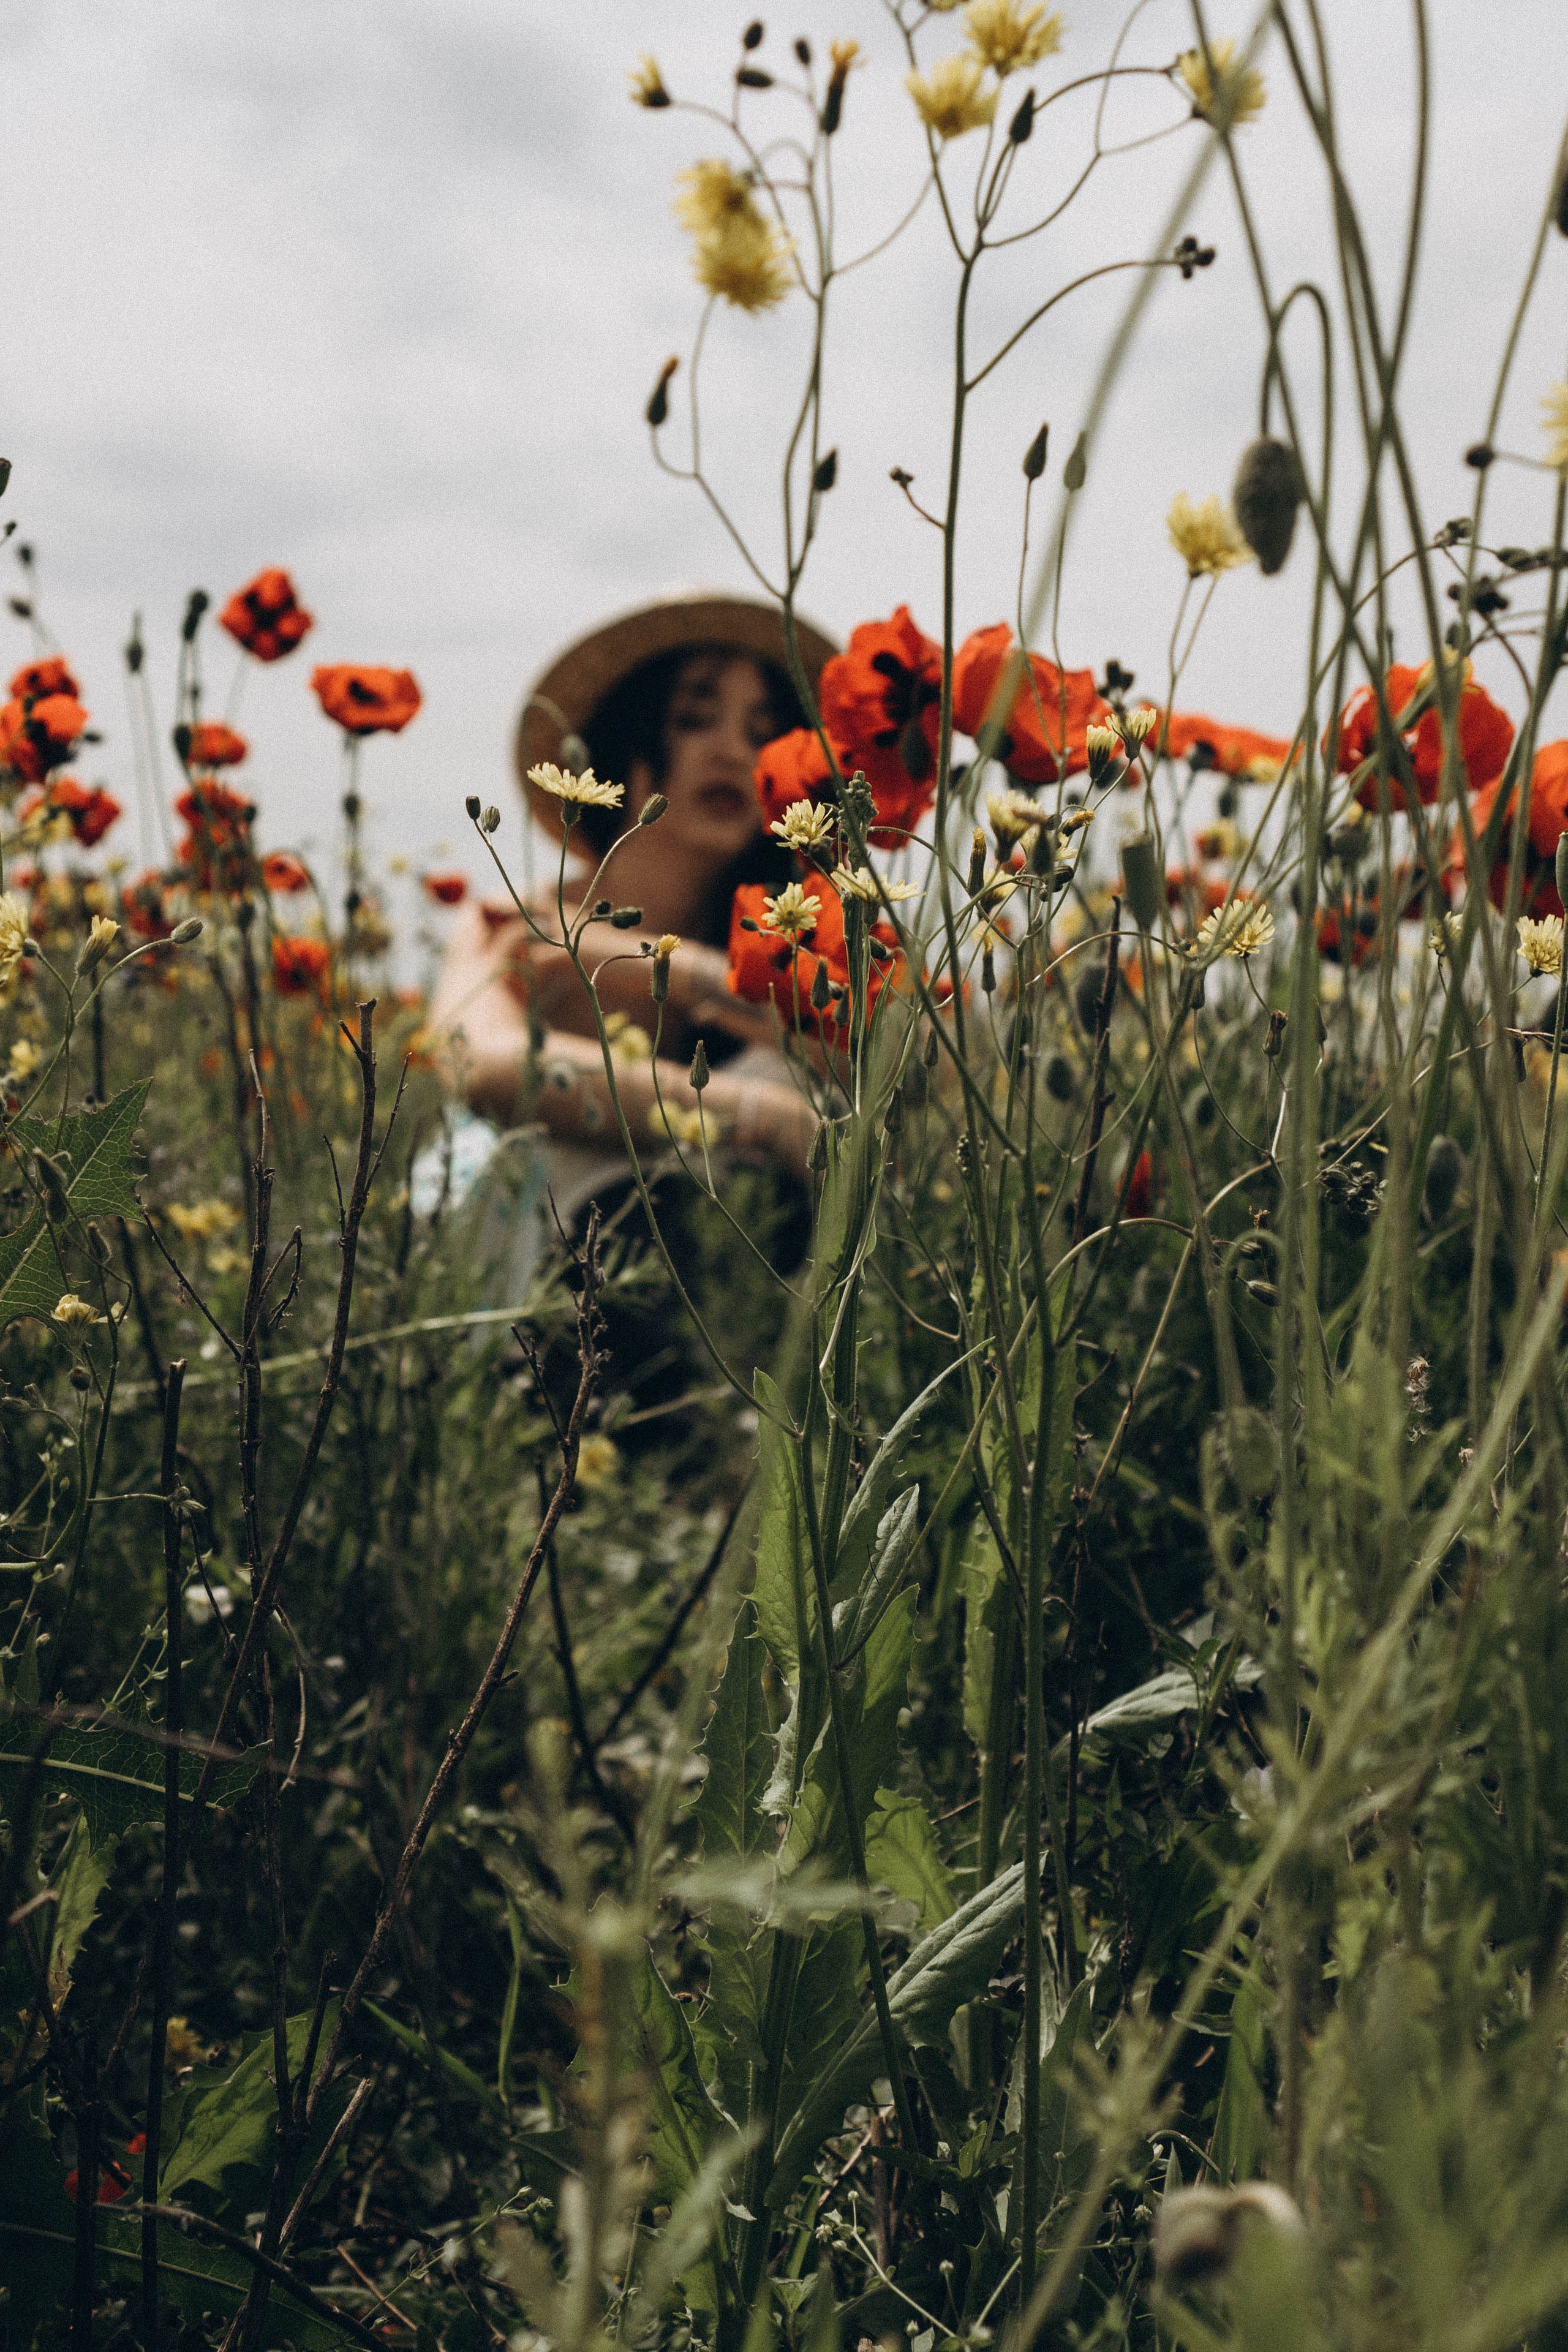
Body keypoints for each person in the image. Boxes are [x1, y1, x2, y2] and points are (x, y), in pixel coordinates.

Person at [428, 594, 835, 1253]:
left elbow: (883, 1052)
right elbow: (483, 1067)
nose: (735, 752)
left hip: (705, 1271)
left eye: (764, 734)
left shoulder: (775, 933)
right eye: (696, 717)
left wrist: (659, 968)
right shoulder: (518, 918)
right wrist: (755, 1116)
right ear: (626, 742)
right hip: (502, 1264)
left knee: (790, 1068)